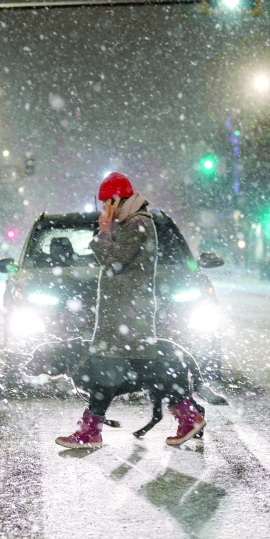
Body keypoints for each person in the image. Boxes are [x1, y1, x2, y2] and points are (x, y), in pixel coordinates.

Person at [55, 172, 207, 449]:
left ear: (117, 200)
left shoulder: (138, 224)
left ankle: (92, 431)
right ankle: (186, 415)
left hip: (128, 317)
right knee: (132, 371)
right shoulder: (129, 224)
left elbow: (114, 263)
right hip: (122, 317)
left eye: (106, 204)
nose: (104, 210)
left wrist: (103, 231)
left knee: (113, 371)